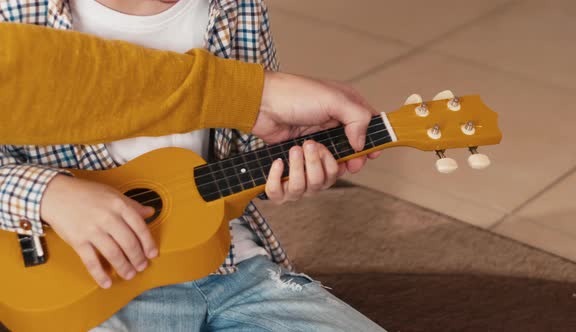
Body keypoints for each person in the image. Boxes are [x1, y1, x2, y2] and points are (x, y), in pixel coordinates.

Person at [0, 1, 386, 331]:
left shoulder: (234, 7)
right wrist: (49, 194)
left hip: (229, 263)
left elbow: (248, 145)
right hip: (92, 283)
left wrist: (294, 158)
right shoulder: (15, 12)